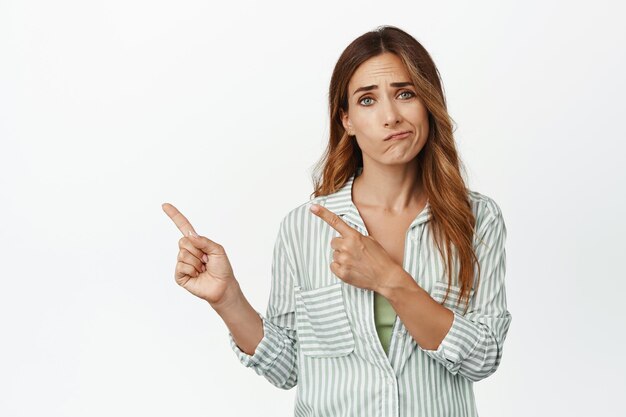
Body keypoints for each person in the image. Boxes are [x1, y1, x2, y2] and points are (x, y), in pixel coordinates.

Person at [163, 24, 512, 417]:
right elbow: (288, 368)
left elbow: (481, 358)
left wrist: (389, 280)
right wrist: (228, 299)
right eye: (367, 100)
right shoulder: (304, 227)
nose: (391, 116)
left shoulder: (476, 218)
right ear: (345, 120)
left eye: (405, 93)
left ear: (428, 103)